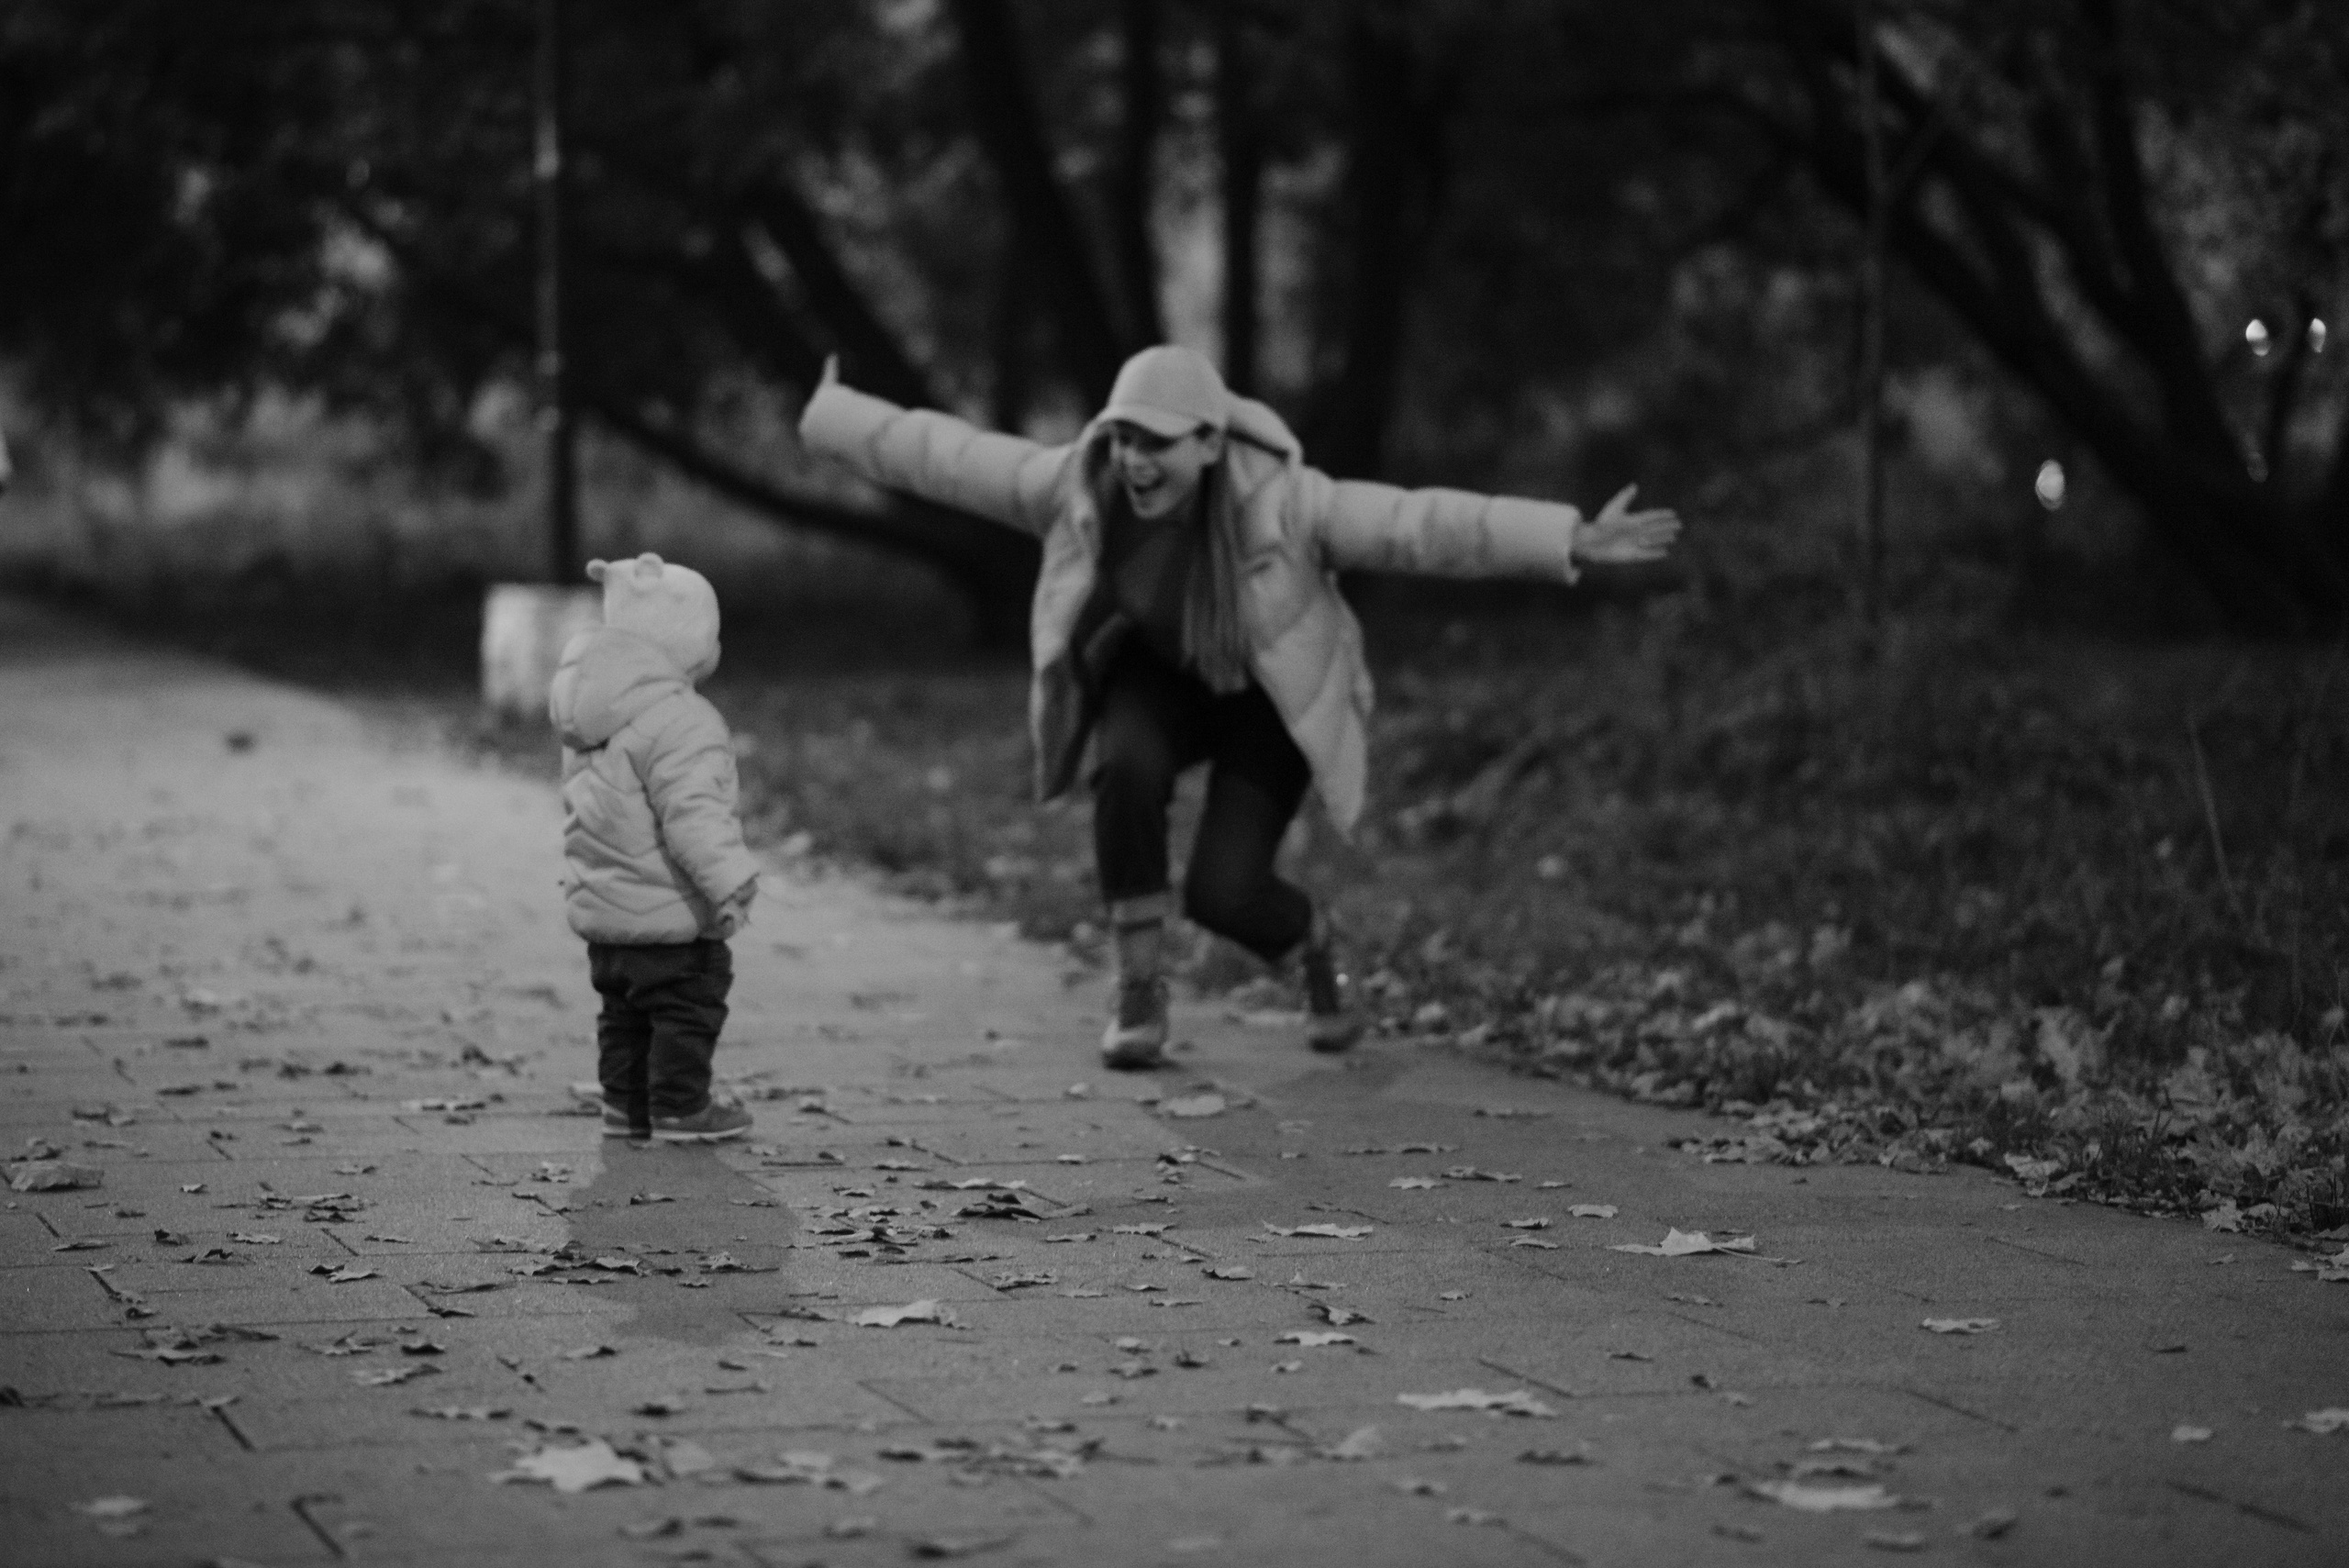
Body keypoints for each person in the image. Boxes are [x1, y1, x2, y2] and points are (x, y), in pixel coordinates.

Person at [798, 347, 1677, 1069]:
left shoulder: (1291, 503)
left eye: (1159, 445)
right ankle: (1139, 990)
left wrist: (1567, 535)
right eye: (1124, 439)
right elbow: (944, 454)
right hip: (1163, 677)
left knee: (1223, 894)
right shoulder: (1075, 484)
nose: (1137, 462)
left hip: (1267, 699)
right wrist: (832, 414)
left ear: (1211, 444)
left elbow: (1423, 523)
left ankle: (1312, 942)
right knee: (1126, 767)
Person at [549, 552, 763, 1140]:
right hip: (669, 911)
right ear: (690, 641)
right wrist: (730, 880)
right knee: (687, 1008)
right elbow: (693, 814)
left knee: (623, 1015)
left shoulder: (591, 710)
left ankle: (627, 1105)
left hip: (604, 911)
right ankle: (679, 1106)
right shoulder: (682, 720)